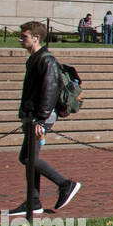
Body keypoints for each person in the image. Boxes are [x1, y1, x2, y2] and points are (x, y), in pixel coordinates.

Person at [13, 21, 82, 215]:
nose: (20, 40)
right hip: (34, 116)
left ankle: (65, 184)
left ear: (35, 38)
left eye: (24, 36)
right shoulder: (37, 58)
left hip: (41, 117)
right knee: (28, 158)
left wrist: (40, 120)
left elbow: (50, 91)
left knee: (28, 158)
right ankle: (33, 201)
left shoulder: (46, 60)